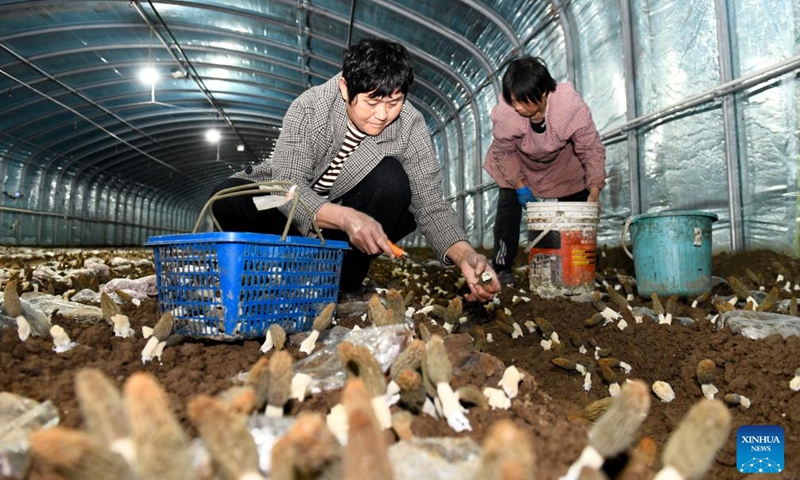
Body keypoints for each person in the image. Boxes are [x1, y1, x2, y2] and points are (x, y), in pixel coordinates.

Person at [210, 38, 500, 303]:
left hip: (349, 227)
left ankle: (343, 278)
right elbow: (287, 186)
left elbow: (430, 205)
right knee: (228, 198)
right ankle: (281, 266)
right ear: (345, 88)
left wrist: (465, 255)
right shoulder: (311, 107)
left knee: (392, 179)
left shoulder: (410, 125)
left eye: (394, 102)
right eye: (372, 102)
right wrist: (345, 217)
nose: (382, 115)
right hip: (291, 209)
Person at [483, 56, 606, 286]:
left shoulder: (569, 107)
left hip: (561, 164)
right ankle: (502, 266)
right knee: (508, 209)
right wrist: (519, 186)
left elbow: (590, 148)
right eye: (513, 100)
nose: (517, 107)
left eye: (523, 101)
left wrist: (594, 190)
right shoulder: (507, 113)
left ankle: (583, 264)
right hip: (518, 161)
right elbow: (504, 153)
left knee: (577, 207)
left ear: (542, 93)